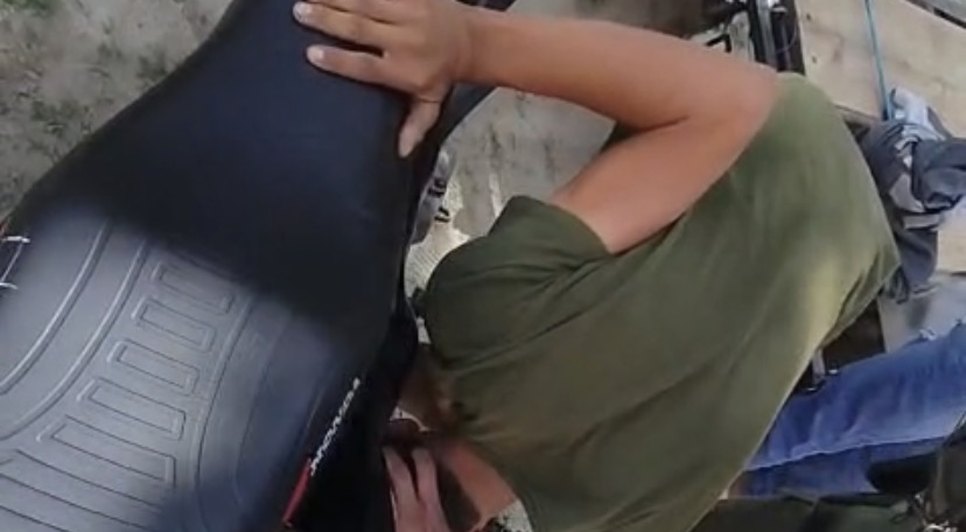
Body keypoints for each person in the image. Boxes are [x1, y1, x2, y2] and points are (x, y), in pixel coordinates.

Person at [293, 0, 899, 530]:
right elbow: (738, 103)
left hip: (857, 259)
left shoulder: (630, 521)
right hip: (783, 137)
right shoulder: (484, 320)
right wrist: (466, 44)